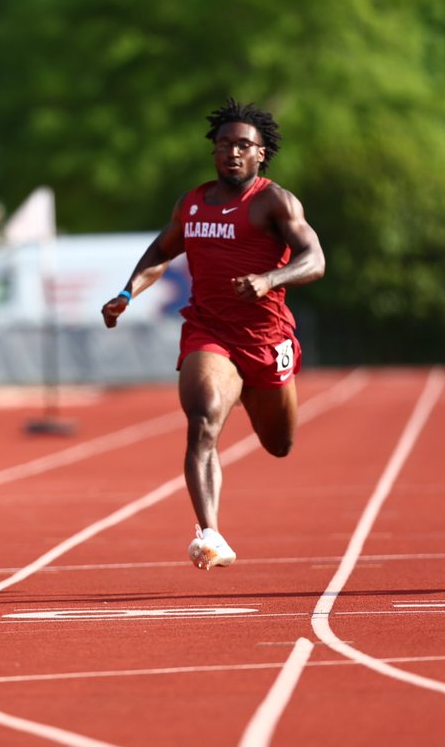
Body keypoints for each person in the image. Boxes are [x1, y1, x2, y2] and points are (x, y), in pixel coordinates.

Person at [101, 98, 324, 571]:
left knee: (279, 445)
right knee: (202, 419)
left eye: (243, 145)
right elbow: (161, 252)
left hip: (266, 339)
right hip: (210, 331)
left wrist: (269, 280)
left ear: (261, 153)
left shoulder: (274, 201)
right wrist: (127, 292)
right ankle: (210, 533)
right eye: (224, 144)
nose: (232, 153)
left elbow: (315, 260)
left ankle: (243, 389)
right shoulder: (193, 202)